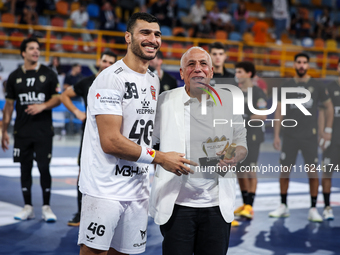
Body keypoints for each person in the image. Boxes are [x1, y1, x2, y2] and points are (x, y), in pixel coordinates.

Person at [77, 12, 194, 255]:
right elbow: (110, 142)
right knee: (95, 253)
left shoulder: (153, 80)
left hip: (138, 188)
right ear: (128, 37)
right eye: (145, 33)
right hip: (105, 189)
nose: (153, 39)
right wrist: (162, 158)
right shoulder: (110, 79)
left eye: (157, 34)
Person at [149, 46, 248, 255]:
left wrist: (233, 156)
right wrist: (161, 159)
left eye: (203, 64)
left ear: (211, 72)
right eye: (191, 64)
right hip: (177, 204)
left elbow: (241, 142)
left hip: (216, 205)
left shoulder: (229, 101)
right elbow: (148, 142)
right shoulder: (165, 101)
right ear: (182, 73)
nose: (198, 69)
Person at [1, 37, 61, 222]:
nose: (36, 51)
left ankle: (46, 207)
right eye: (31, 48)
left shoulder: (49, 74)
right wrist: (3, 130)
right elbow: (9, 105)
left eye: (37, 48)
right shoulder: (14, 77)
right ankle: (28, 207)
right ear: (23, 53)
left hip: (43, 131)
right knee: (24, 169)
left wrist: (42, 106)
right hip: (22, 131)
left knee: (44, 168)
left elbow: (57, 99)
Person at [269, 53, 334, 222]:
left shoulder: (317, 86)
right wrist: (276, 135)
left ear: (308, 65)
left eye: (305, 62)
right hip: (289, 136)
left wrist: (326, 130)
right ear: (294, 64)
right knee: (284, 171)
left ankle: (313, 208)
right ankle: (283, 205)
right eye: (299, 62)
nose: (302, 65)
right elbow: (279, 110)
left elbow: (328, 107)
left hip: (309, 137)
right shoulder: (287, 85)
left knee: (312, 172)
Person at [61, 50, 117, 227]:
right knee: (82, 174)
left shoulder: (118, 83)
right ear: (99, 61)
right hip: (88, 138)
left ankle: (109, 214)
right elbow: (64, 96)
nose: (107, 65)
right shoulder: (87, 82)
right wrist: (77, 112)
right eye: (105, 61)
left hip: (111, 137)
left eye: (111, 62)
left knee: (111, 174)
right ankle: (81, 213)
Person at [233, 62, 267, 223]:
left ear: (249, 74)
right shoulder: (236, 92)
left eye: (240, 71)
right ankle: (245, 203)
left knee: (250, 169)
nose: (237, 74)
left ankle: (250, 206)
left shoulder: (258, 92)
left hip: (253, 135)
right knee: (240, 170)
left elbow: (262, 115)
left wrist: (245, 118)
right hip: (239, 136)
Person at [318, 59, 340, 220]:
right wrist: (322, 133)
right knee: (327, 173)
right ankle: (327, 207)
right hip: (332, 139)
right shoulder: (329, 88)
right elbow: (322, 113)